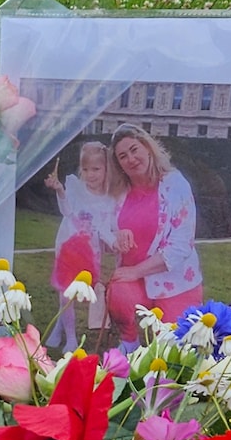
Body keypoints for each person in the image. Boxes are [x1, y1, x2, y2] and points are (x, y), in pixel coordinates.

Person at [104, 126, 205, 332]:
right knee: (119, 295)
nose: (131, 159)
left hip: (174, 281)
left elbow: (181, 245)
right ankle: (128, 343)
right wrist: (115, 236)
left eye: (134, 150)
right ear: (119, 164)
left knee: (176, 345)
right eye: (123, 156)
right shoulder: (117, 191)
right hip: (133, 280)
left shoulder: (175, 184)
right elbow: (101, 228)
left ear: (148, 148)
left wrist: (136, 271)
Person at [50, 140, 121, 328]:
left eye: (96, 169)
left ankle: (59, 328)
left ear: (106, 169)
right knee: (65, 292)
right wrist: (60, 191)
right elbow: (66, 211)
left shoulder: (109, 200)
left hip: (90, 253)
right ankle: (70, 337)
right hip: (68, 246)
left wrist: (114, 242)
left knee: (82, 290)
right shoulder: (75, 188)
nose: (90, 175)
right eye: (86, 169)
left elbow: (104, 227)